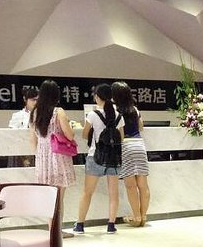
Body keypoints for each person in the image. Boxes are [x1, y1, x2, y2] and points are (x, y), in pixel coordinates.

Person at [73, 84, 122, 234]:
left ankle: (80, 224)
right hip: (113, 158)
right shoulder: (118, 115)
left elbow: (84, 134)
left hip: (95, 157)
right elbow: (121, 138)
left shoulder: (93, 115)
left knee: (87, 192)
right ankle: (111, 225)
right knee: (113, 194)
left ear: (97, 97)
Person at [30, 80, 77, 237]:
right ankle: (57, 232)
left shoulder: (34, 113)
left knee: (48, 197)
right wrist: (70, 124)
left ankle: (52, 229)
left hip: (42, 157)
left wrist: (40, 156)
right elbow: (70, 135)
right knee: (59, 198)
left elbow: (33, 140)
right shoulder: (59, 112)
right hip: (58, 156)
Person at [112, 81, 150, 227]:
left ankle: (136, 217)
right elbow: (141, 127)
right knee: (143, 185)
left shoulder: (114, 110)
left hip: (125, 146)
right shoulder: (135, 109)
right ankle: (143, 216)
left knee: (131, 185)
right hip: (139, 145)